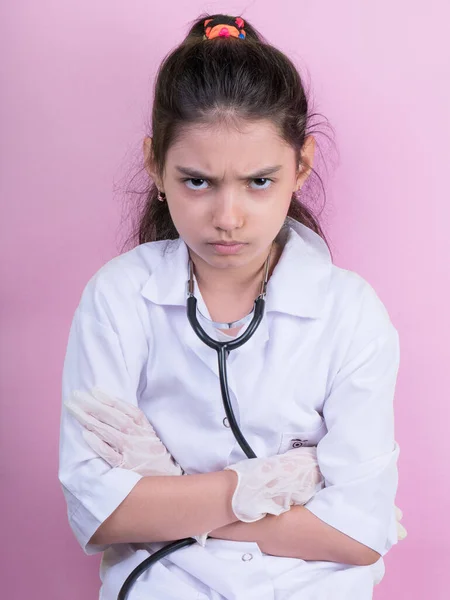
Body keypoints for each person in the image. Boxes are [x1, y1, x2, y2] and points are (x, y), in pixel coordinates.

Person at [58, 13, 406, 600]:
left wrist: (167, 495)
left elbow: (358, 535)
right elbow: (100, 514)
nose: (227, 216)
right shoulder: (119, 298)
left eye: (259, 181)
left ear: (301, 165)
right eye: (197, 182)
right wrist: (254, 486)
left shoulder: (350, 313)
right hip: (165, 585)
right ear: (155, 166)